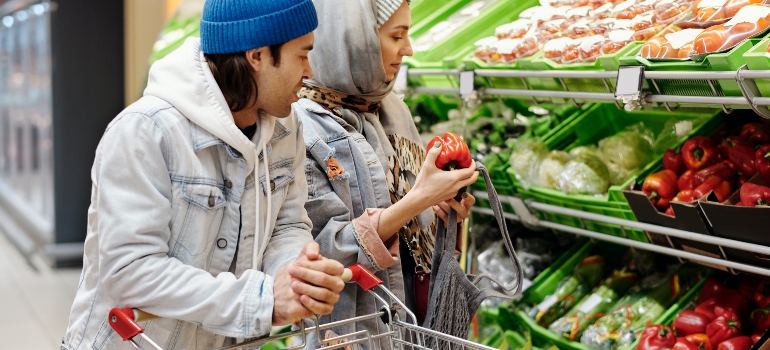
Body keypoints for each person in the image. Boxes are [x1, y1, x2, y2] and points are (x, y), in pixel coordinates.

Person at [61, 1, 346, 349]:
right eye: (302, 55)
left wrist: (298, 275)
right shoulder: (145, 131)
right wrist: (264, 299)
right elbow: (130, 272)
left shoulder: (287, 127)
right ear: (257, 56)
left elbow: (287, 225)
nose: (309, 70)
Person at [294, 0, 478, 347]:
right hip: (356, 331)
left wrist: (443, 212)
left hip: (419, 321)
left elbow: (416, 229)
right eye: (396, 36)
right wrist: (418, 200)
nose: (408, 49)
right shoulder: (300, 128)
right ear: (355, 39)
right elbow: (321, 252)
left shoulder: (392, 108)